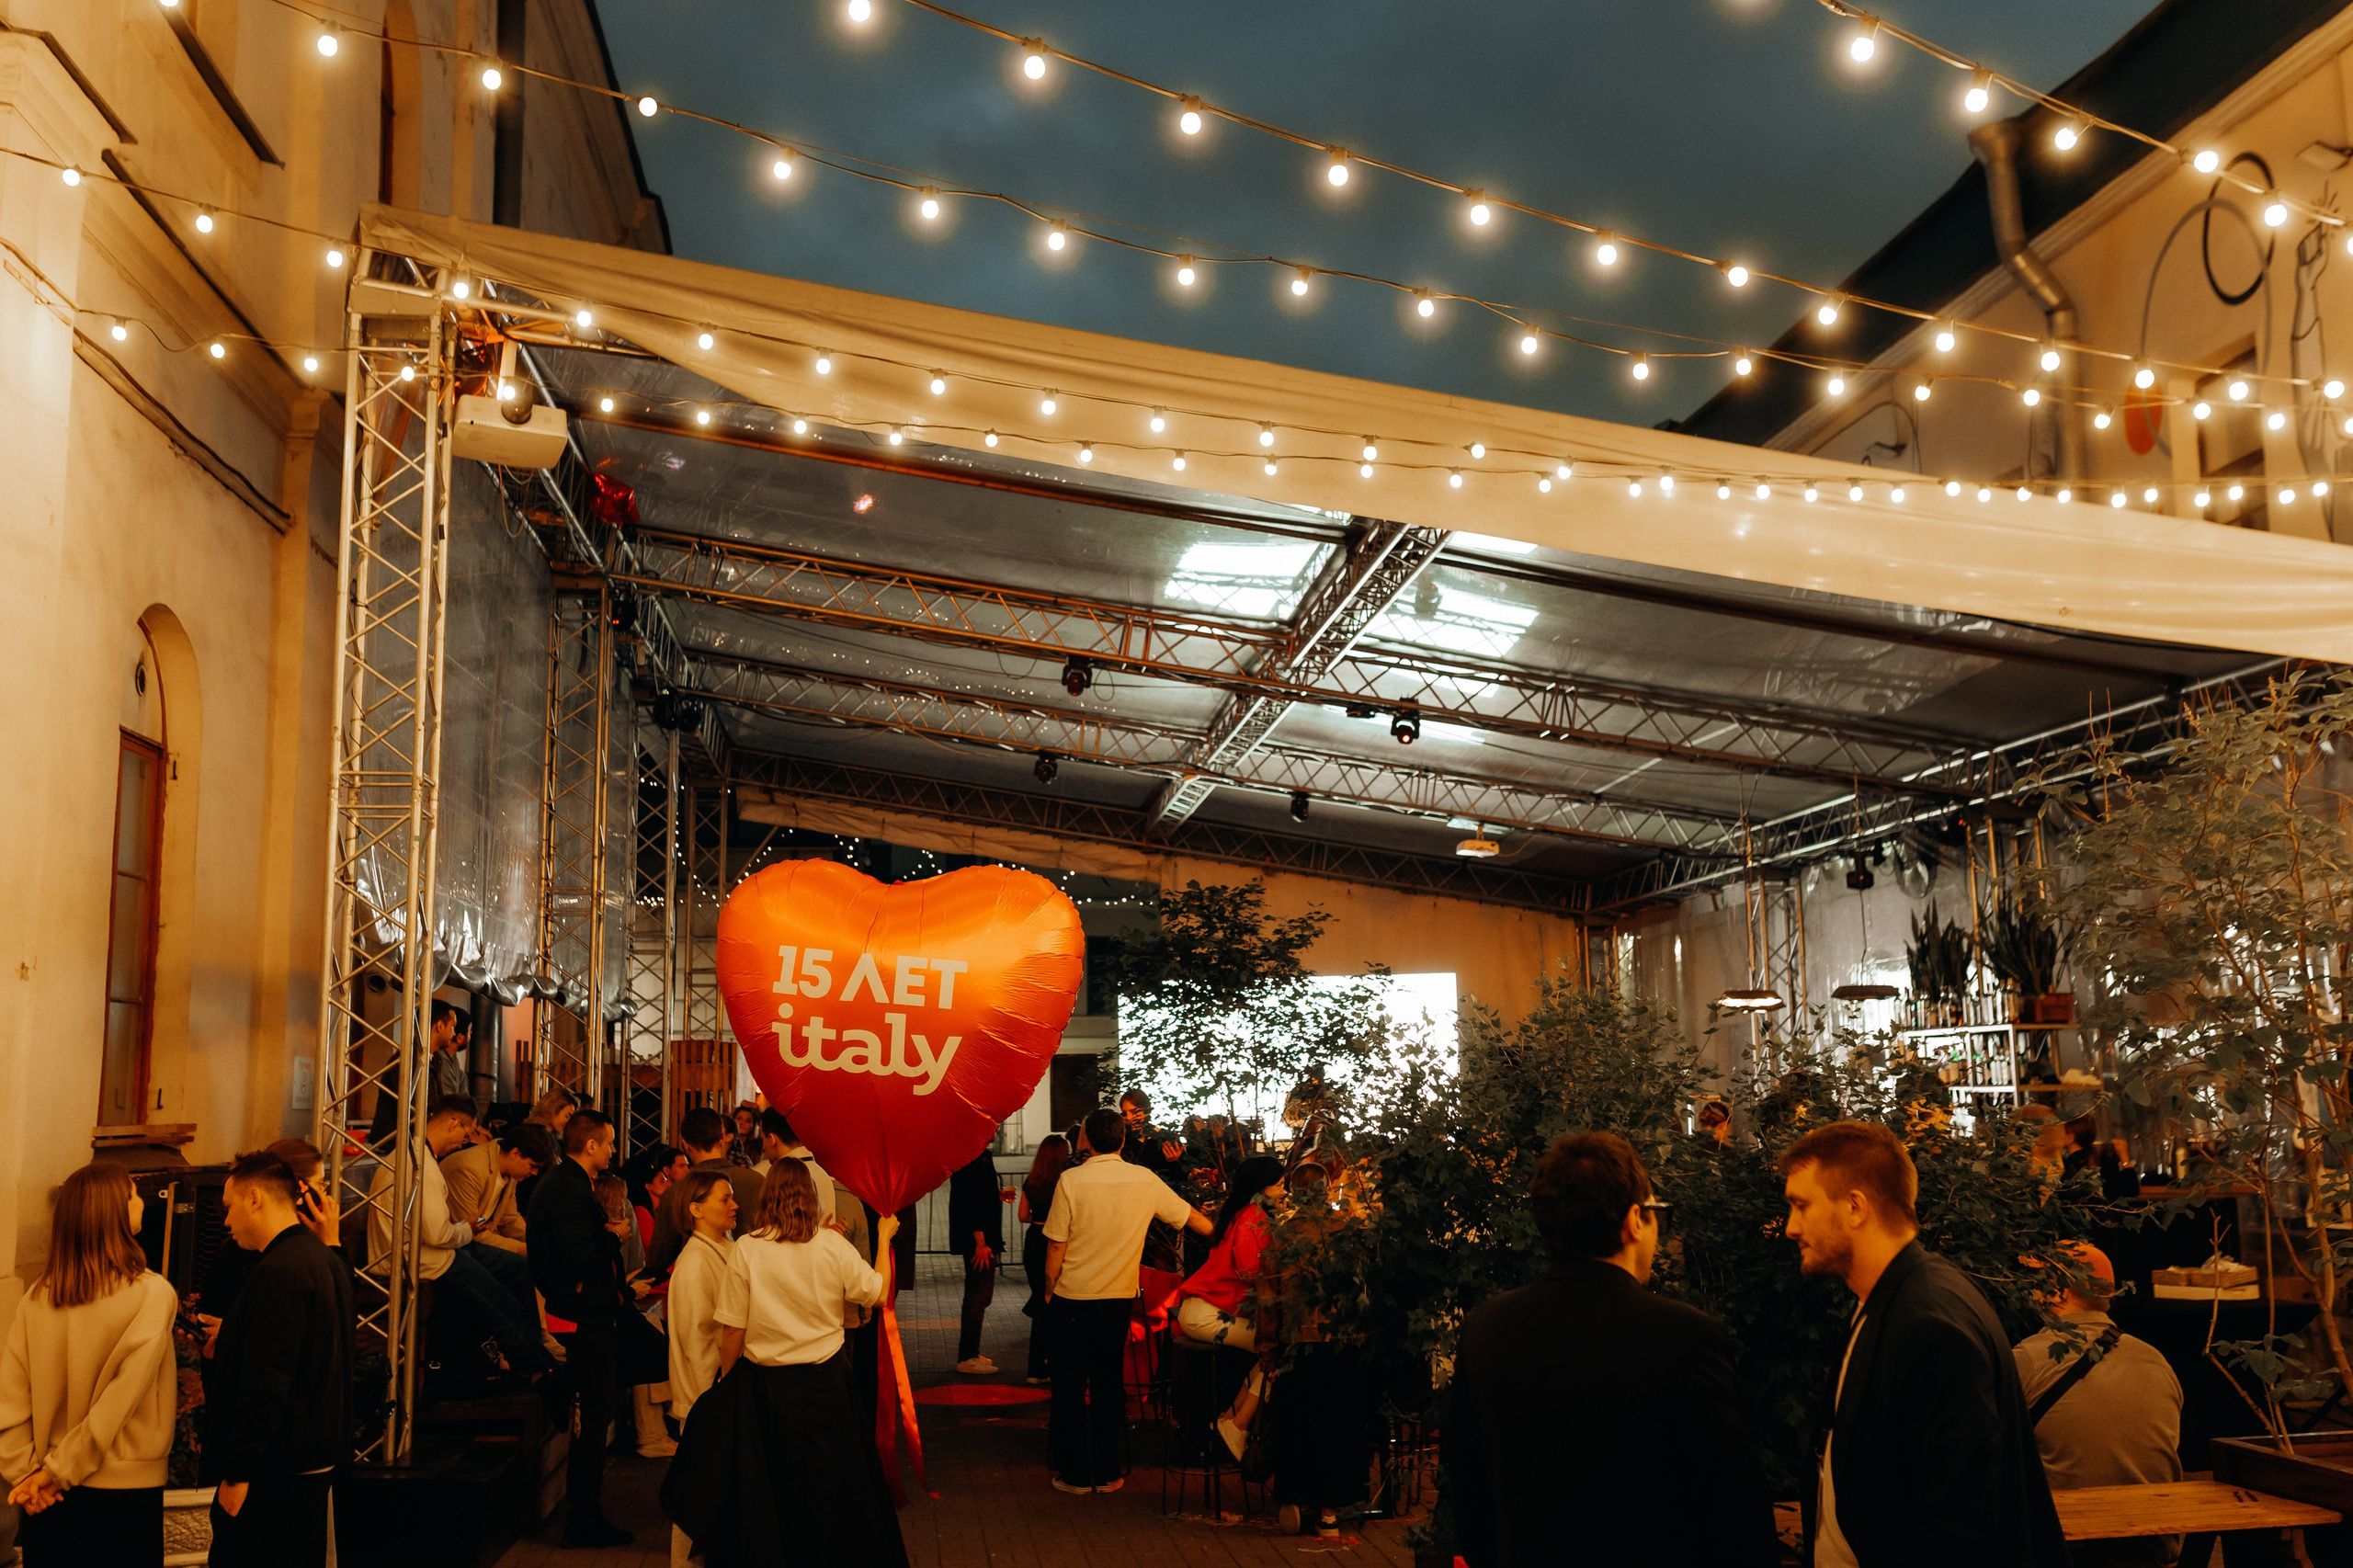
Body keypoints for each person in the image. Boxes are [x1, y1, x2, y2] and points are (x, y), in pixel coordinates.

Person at [1446, 1133, 1776, 1568]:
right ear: (1635, 1220)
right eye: (1659, 1213)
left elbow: (1467, 1495)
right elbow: (1735, 1512)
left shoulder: (1486, 1328)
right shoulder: (1686, 1337)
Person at [1782, 1119, 2068, 1568]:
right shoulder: (1890, 1299)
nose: (1790, 1227)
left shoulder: (1930, 1323)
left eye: (1801, 1205)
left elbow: (1955, 1527)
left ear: (1855, 1207)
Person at [659, 1162, 905, 1568]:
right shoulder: (832, 1246)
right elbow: (878, 1294)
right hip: (828, 1384)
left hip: (767, 1388)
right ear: (811, 1195)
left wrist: (729, 1381)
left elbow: (733, 1330)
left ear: (767, 1197)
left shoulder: (748, 1249)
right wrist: (882, 1238)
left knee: (775, 1485)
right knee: (830, 1481)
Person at [0, 1163, 178, 1568]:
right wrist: (54, 1474)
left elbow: (10, 1396)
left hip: (47, 1497)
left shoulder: (37, 1298)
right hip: (124, 1493)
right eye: (134, 1194)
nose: (142, 1202)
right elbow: (122, 1399)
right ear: (111, 1211)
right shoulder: (152, 1294)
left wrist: (29, 1475)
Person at [1041, 1107, 1212, 1494]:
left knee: (1069, 1385)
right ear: (1122, 1139)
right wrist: (1225, 1231)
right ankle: (1107, 1470)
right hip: (1116, 1298)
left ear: (1086, 1139)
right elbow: (1192, 1220)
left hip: (1072, 1296)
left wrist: (1050, 1289)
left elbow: (1056, 1244)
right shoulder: (1145, 1180)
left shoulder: (1071, 1180)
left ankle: (1074, 1473)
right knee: (1107, 1383)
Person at [205, 1148, 356, 1568]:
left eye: (229, 1207)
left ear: (255, 1198)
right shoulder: (324, 1258)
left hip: (276, 1472)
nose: (227, 1221)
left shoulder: (279, 1272)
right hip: (309, 1462)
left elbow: (267, 1383)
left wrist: (237, 1474)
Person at [2013, 1244, 2182, 1568]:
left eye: (2038, 1283)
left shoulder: (2029, 1359)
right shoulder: (2156, 1360)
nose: (2032, 1291)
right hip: (2152, 1547)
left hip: (2069, 1549)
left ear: (2060, 1292)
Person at [369, 1096, 551, 1378]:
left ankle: (534, 1354)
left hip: (436, 1251)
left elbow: (441, 1230)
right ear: (453, 1124)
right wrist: (466, 1228)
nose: (465, 1142)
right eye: (466, 1134)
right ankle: (539, 1369)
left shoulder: (419, 1157)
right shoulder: (421, 1166)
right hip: (422, 1259)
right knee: (501, 1305)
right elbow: (439, 1234)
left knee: (517, 1270)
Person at [530, 1108, 641, 1549]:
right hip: (585, 1316)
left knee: (603, 1408)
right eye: (610, 1142)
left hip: (588, 1312)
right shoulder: (567, 1189)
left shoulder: (568, 1185)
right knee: (596, 1419)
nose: (614, 1150)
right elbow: (580, 1258)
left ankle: (586, 1516)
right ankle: (583, 1521)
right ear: (590, 1144)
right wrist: (615, 1238)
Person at [1174, 1153, 1288, 1459]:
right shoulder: (1252, 1216)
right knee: (1281, 1354)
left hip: (1203, 1310)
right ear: (1263, 1188)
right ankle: (1236, 1423)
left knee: (1271, 1354)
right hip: (1209, 1313)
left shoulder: (1240, 1213)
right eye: (1279, 1185)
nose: (1285, 1190)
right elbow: (1252, 1270)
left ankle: (1230, 1418)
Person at [664, 1171, 737, 1568]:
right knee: (696, 1495)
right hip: (705, 1396)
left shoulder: (723, 1248)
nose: (734, 1205)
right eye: (724, 1199)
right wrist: (710, 1400)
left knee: (708, 1492)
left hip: (717, 1393)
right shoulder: (694, 1263)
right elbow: (696, 1343)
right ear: (696, 1209)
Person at [593, 1173, 676, 1460]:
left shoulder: (598, 1234)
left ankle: (656, 1428)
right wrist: (629, 1290)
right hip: (594, 1323)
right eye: (620, 1206)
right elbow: (606, 1285)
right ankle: (654, 1432)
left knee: (651, 1326)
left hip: (606, 1314)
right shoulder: (602, 1236)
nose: (625, 1211)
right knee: (648, 1335)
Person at [650, 1107, 759, 1277]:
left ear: (685, 1144)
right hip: (753, 1283)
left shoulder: (676, 1193)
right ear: (722, 1138)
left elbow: (659, 1259)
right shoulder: (758, 1182)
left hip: (699, 1278)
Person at [440, 1121, 555, 1258]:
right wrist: (523, 1248)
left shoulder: (511, 1172)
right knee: (528, 1268)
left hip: (478, 1239)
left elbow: (509, 1218)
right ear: (515, 1153)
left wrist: (538, 1242)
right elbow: (469, 1232)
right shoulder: (470, 1169)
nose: (535, 1173)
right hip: (455, 1247)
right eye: (532, 1165)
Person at [368, 1000, 472, 1148]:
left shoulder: (434, 1059)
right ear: (440, 1026)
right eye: (453, 1027)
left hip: (417, 1141)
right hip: (397, 1146)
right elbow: (417, 1111)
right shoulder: (409, 1060)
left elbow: (437, 1105)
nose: (455, 1033)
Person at [949, 1148, 1013, 1375]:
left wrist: (997, 1196)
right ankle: (967, 1356)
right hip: (980, 1241)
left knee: (978, 1295)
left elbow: (978, 1197)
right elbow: (971, 1201)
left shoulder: (976, 1155)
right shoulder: (972, 1156)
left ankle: (971, 1353)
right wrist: (981, 1241)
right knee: (978, 1295)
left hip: (981, 1238)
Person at [1017, 1136, 1073, 1386]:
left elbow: (1022, 1216)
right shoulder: (1065, 1182)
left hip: (1034, 1240)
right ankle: (1051, 1361)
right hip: (1056, 1240)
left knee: (1040, 1299)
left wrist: (1037, 1220)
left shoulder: (1032, 1180)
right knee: (1055, 1303)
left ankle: (1035, 1367)